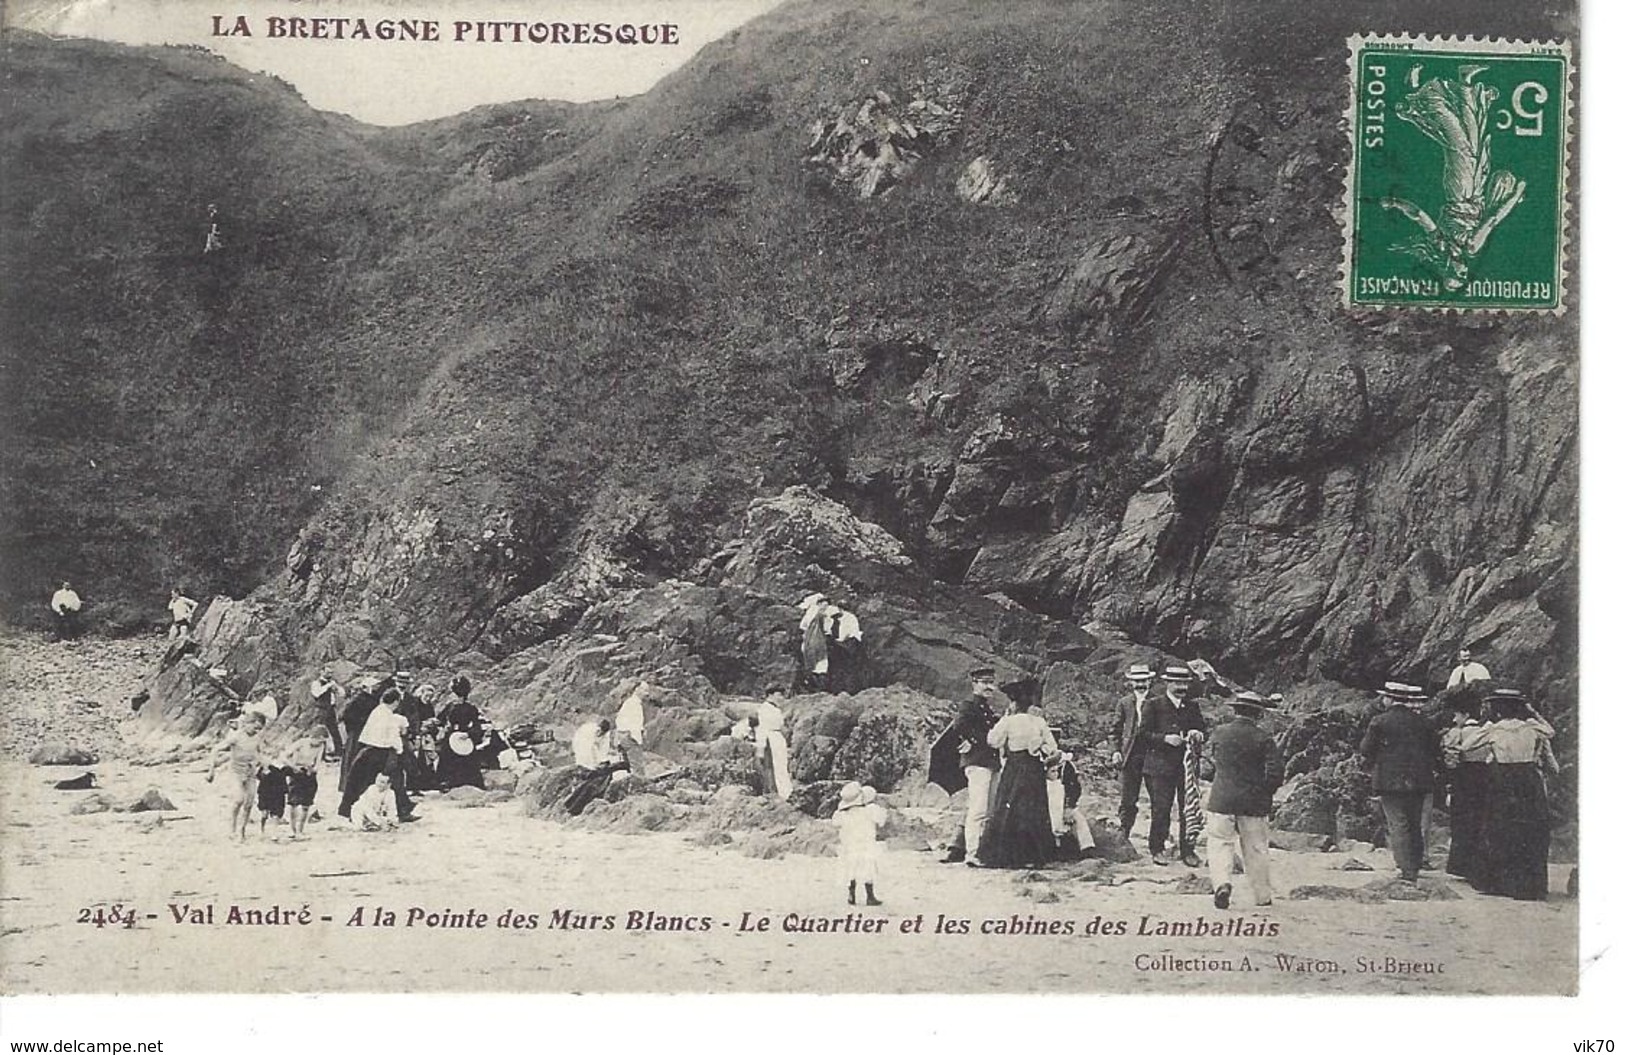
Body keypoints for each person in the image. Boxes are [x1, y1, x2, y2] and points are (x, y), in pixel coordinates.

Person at [1454, 688, 1558, 900]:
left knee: (1499, 829)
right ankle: (1529, 885)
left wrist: (1485, 723)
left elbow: (1466, 746)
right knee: (1529, 831)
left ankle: (1498, 883)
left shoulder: (1493, 729)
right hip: (1528, 780)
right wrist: (1533, 713)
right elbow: (1551, 732)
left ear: (1498, 709)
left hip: (1502, 780)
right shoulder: (1531, 727)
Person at [1206, 691, 1284, 909]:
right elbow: (1275, 772)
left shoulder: (1220, 733)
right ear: (1258, 714)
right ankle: (1262, 896)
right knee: (1256, 849)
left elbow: (1213, 761)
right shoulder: (1263, 738)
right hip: (1253, 802)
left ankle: (1221, 883)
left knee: (1219, 843)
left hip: (1221, 798)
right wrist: (1265, 791)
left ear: (1235, 710)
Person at [1358, 681, 1437, 883]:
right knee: (1414, 822)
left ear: (1390, 699)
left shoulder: (1380, 721)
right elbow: (1434, 751)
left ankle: (1405, 869)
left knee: (1397, 823)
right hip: (1419, 780)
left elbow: (1366, 749)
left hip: (1389, 780)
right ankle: (1416, 864)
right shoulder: (1424, 722)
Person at [1114, 663, 1189, 865]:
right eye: (1136, 681)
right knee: (1128, 799)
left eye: (1143, 680)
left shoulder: (1158, 701)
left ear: (1150, 680)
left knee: (1159, 802)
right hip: (1132, 755)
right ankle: (1124, 836)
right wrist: (1115, 751)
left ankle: (1159, 842)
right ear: (1130, 682)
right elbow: (1116, 729)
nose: (1140, 684)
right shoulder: (1124, 702)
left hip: (1156, 756)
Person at [977, 695, 1059, 868]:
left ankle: (1007, 855)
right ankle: (1034, 855)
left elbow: (993, 741)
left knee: (1009, 806)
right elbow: (1052, 747)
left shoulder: (1008, 721)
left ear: (1014, 704)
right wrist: (1040, 748)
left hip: (1015, 766)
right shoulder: (1039, 722)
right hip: (1034, 767)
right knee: (1033, 807)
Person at [937, 667, 1003, 866]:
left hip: (990, 762)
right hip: (977, 761)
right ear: (974, 683)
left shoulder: (987, 709)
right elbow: (959, 725)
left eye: (991, 682)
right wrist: (973, 741)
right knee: (978, 809)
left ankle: (980, 851)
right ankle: (972, 854)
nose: (989, 687)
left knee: (988, 810)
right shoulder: (969, 705)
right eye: (984, 682)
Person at [337, 688, 414, 824]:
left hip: (366, 750)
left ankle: (349, 810)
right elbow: (393, 737)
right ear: (395, 702)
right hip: (381, 753)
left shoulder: (378, 710)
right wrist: (400, 751)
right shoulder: (388, 716)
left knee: (358, 781)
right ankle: (402, 812)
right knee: (394, 780)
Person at [1440, 695, 1491, 881]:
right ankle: (1479, 867)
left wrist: (1449, 785)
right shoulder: (1487, 732)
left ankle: (1462, 865)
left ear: (1466, 714)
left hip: (1464, 779)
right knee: (1481, 821)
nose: (1455, 719)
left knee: (1462, 822)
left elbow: (1451, 762)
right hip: (1485, 778)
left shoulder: (1456, 733)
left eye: (1457, 715)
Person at [1168, 667, 1209, 867]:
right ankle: (1157, 848)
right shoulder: (1154, 704)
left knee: (1188, 807)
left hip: (1188, 766)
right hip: (1162, 765)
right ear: (1168, 683)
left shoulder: (1192, 707)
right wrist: (1166, 739)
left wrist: (1198, 734)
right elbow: (1143, 734)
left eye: (1185, 683)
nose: (1182, 687)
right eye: (1177, 683)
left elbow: (1203, 730)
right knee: (1161, 808)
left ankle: (1188, 850)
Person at [206, 711, 267, 842]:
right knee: (238, 799)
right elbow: (215, 750)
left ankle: (242, 832)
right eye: (255, 727)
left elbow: (258, 752)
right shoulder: (236, 737)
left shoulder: (257, 738)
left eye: (259, 729)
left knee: (249, 803)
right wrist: (211, 770)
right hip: (236, 772)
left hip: (250, 772)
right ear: (247, 724)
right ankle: (232, 829)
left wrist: (263, 765)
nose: (257, 731)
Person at [834, 782, 885, 906]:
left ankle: (851, 894)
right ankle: (870, 896)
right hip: (866, 844)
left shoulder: (842, 814)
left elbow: (835, 823)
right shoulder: (870, 810)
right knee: (868, 868)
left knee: (851, 868)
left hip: (849, 845)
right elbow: (881, 821)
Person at [564, 718, 626, 815]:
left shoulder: (607, 738)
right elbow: (585, 747)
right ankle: (571, 806)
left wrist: (602, 763)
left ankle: (573, 807)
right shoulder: (588, 731)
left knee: (590, 786)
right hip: (593, 761)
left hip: (606, 771)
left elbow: (603, 752)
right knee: (588, 783)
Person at [435, 674, 486, 790]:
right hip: (451, 736)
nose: (458, 698)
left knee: (468, 759)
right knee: (447, 756)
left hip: (464, 737)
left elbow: (477, 725)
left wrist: (468, 734)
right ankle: (447, 782)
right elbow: (440, 720)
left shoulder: (471, 708)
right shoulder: (450, 706)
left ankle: (468, 783)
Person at [754, 695, 792, 800]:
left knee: (781, 765)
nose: (781, 697)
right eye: (778, 694)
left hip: (777, 738)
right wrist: (760, 748)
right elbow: (762, 728)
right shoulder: (764, 709)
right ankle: (773, 792)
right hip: (769, 739)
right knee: (770, 766)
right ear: (771, 695)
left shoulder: (775, 709)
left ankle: (784, 791)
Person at [309, 668, 347, 763]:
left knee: (334, 730)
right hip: (321, 709)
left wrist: (336, 687)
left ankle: (339, 751)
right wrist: (327, 686)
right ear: (322, 672)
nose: (330, 674)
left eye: (331, 672)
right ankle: (319, 754)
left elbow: (342, 694)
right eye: (327, 672)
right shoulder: (316, 683)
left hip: (331, 709)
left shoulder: (332, 683)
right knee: (320, 731)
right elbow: (316, 693)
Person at [286, 739, 320, 839]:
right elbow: (285, 756)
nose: (319, 743)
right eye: (319, 739)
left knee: (307, 803)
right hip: (297, 770)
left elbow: (318, 761)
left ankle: (300, 830)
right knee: (294, 802)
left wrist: (314, 770)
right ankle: (292, 829)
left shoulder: (321, 745)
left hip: (309, 772)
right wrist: (294, 767)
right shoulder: (301, 743)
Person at [615, 682, 649, 778]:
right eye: (644, 690)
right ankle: (639, 789)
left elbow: (619, 720)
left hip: (622, 736)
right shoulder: (634, 704)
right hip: (629, 737)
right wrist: (638, 741)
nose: (647, 694)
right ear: (637, 689)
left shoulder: (629, 702)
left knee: (628, 767)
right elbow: (635, 725)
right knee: (638, 768)